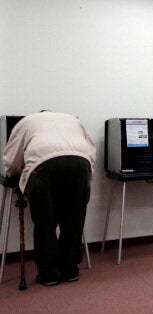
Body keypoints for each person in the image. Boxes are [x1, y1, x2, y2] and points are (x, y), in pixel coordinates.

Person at [2, 111, 96, 286]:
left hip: (44, 164)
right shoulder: (72, 119)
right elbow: (91, 150)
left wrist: (12, 174)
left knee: (46, 221)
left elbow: (12, 158)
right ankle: (70, 270)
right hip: (80, 163)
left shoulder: (26, 121)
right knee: (73, 220)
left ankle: (49, 274)